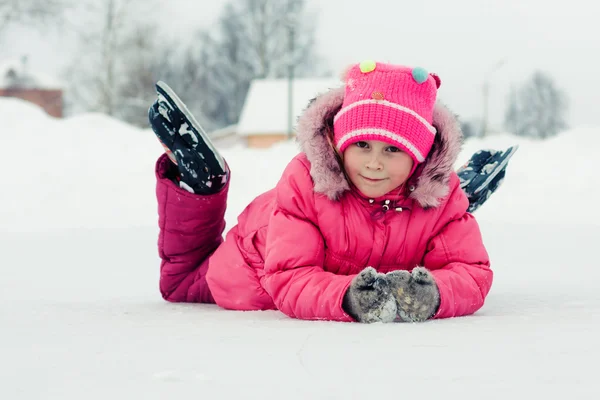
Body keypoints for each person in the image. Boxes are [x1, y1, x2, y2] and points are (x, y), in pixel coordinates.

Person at [148, 61, 516, 323]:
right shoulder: (305, 183)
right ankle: (199, 186)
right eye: (362, 146)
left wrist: (434, 293)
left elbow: (471, 273)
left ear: (421, 157)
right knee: (179, 281)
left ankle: (434, 194)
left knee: (436, 205)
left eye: (392, 150)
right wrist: (346, 299)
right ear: (339, 145)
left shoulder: (441, 196)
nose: (373, 164)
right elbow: (289, 278)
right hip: (254, 257)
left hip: (381, 225)